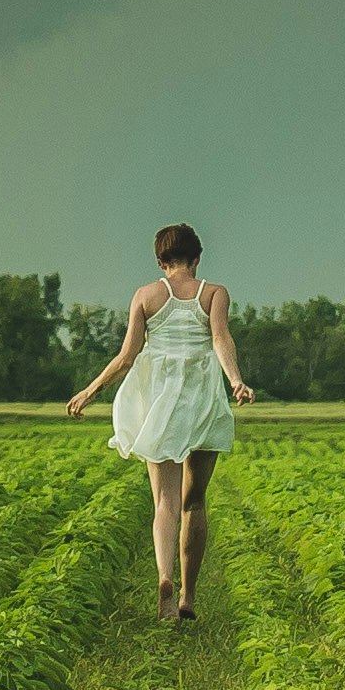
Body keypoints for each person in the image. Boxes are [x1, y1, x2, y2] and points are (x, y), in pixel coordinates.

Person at [64, 223, 256, 622]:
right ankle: (188, 594)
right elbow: (222, 339)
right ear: (198, 257)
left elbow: (127, 357)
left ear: (161, 261)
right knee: (195, 500)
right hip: (203, 399)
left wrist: (90, 390)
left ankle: (164, 578)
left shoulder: (146, 296)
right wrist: (235, 380)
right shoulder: (214, 293)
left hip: (163, 404)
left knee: (164, 502)